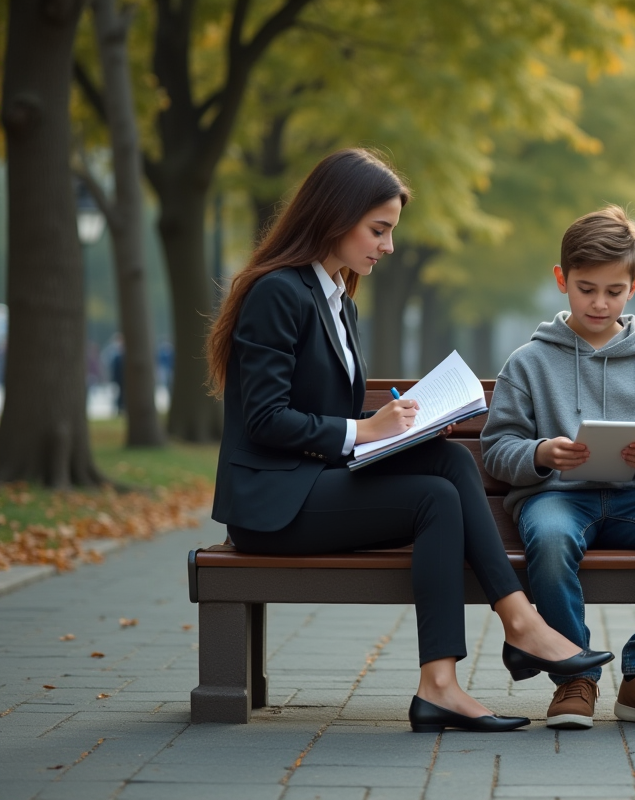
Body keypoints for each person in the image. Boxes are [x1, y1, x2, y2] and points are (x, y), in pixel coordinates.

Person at [205, 149, 612, 734]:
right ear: (333, 216)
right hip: (271, 502)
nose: (388, 247)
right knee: (434, 499)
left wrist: (400, 425)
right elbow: (266, 420)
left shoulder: (336, 297)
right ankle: (502, 639)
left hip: (309, 481)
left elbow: (323, 410)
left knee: (445, 458)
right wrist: (365, 430)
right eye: (379, 230)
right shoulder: (279, 293)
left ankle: (480, 656)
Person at [481, 206, 635, 731]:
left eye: (614, 290)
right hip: (556, 497)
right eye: (586, 288)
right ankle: (574, 674)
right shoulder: (528, 362)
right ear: (562, 280)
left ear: (634, 286)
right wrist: (541, 455)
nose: (600, 302)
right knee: (553, 537)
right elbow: (497, 450)